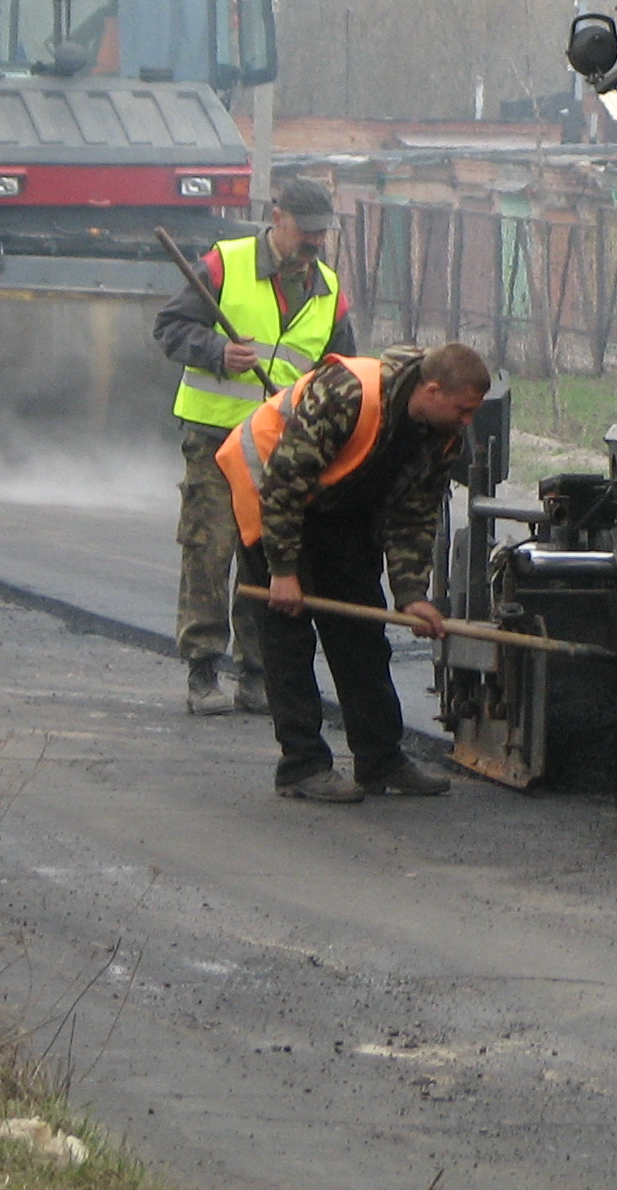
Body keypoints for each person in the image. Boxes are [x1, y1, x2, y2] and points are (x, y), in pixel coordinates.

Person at [217, 342, 486, 803]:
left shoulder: (443, 437)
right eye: (462, 410)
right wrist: (282, 570)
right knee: (289, 635)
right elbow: (283, 482)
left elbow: (415, 516)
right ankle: (302, 766)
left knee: (362, 630)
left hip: (336, 504)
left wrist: (410, 594)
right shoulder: (349, 393)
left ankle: (380, 760)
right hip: (271, 493)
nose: (467, 422)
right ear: (435, 391)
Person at [152, 177, 356, 718]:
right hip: (217, 439)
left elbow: (341, 374)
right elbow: (170, 327)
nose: (315, 241)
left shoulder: (329, 292)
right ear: (277, 216)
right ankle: (202, 670)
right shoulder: (224, 265)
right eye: (306, 230)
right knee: (209, 549)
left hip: (280, 452)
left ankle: (256, 673)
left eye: (322, 232)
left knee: (267, 559)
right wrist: (216, 350)